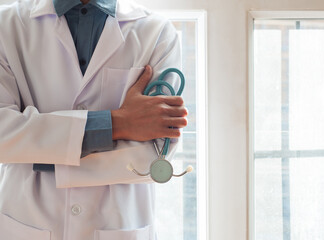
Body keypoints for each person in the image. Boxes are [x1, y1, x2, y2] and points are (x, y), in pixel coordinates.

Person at [0, 0, 187, 239]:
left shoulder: (157, 33)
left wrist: (44, 153)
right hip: (26, 223)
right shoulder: (5, 25)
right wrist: (119, 123)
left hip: (120, 225)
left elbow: (158, 155)